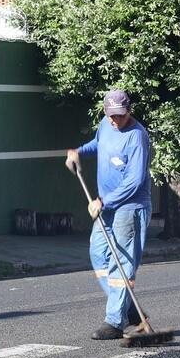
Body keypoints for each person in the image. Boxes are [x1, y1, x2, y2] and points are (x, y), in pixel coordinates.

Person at [66, 90, 152, 340]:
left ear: (129, 112)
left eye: (121, 116)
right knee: (98, 253)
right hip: (107, 208)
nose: (116, 121)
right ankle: (128, 308)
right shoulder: (105, 125)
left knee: (121, 263)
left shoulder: (137, 137)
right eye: (112, 116)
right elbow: (98, 144)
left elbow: (135, 180)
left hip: (130, 209)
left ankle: (115, 321)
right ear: (105, 112)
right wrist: (78, 152)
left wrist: (103, 201)